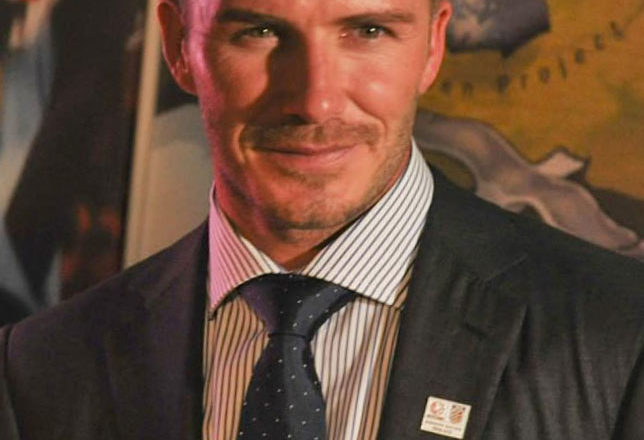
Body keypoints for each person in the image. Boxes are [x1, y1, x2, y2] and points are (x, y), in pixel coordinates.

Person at [1, 0, 643, 439]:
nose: (315, 100)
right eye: (259, 31)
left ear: (433, 43)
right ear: (178, 45)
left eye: (368, 30)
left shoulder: (622, 336)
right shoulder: (40, 368)